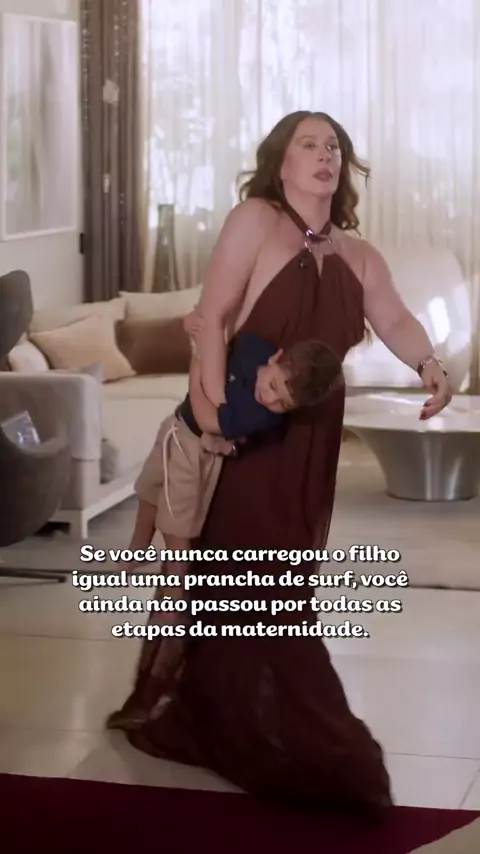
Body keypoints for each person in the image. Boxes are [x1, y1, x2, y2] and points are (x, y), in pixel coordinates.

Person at [107, 110, 452, 814]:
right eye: (309, 144)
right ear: (282, 162)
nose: (325, 155)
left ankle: (225, 721)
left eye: (335, 147)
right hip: (246, 438)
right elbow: (213, 322)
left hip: (312, 448)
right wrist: (210, 417)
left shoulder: (359, 256)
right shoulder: (255, 222)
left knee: (264, 592)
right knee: (262, 597)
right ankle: (335, 751)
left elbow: (394, 318)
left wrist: (430, 364)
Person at [123, 332, 343, 564]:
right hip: (175, 427)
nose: (269, 399)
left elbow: (207, 421)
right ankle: (138, 550)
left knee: (176, 531)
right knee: (148, 491)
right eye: (272, 385)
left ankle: (176, 586)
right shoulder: (254, 349)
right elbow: (222, 339)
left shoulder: (260, 415)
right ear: (275, 359)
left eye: (283, 404)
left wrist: (196, 372)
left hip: (195, 450)